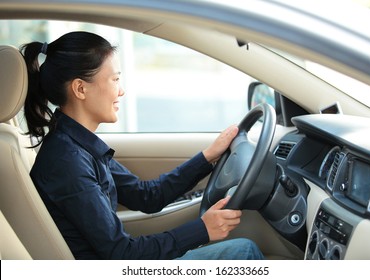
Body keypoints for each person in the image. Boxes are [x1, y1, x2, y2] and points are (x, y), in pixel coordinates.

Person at [20, 31, 264, 260]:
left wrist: (208, 156)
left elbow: (147, 196)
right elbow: (123, 254)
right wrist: (203, 229)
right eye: (115, 79)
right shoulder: (67, 162)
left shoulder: (77, 147)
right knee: (244, 251)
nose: (122, 91)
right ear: (80, 89)